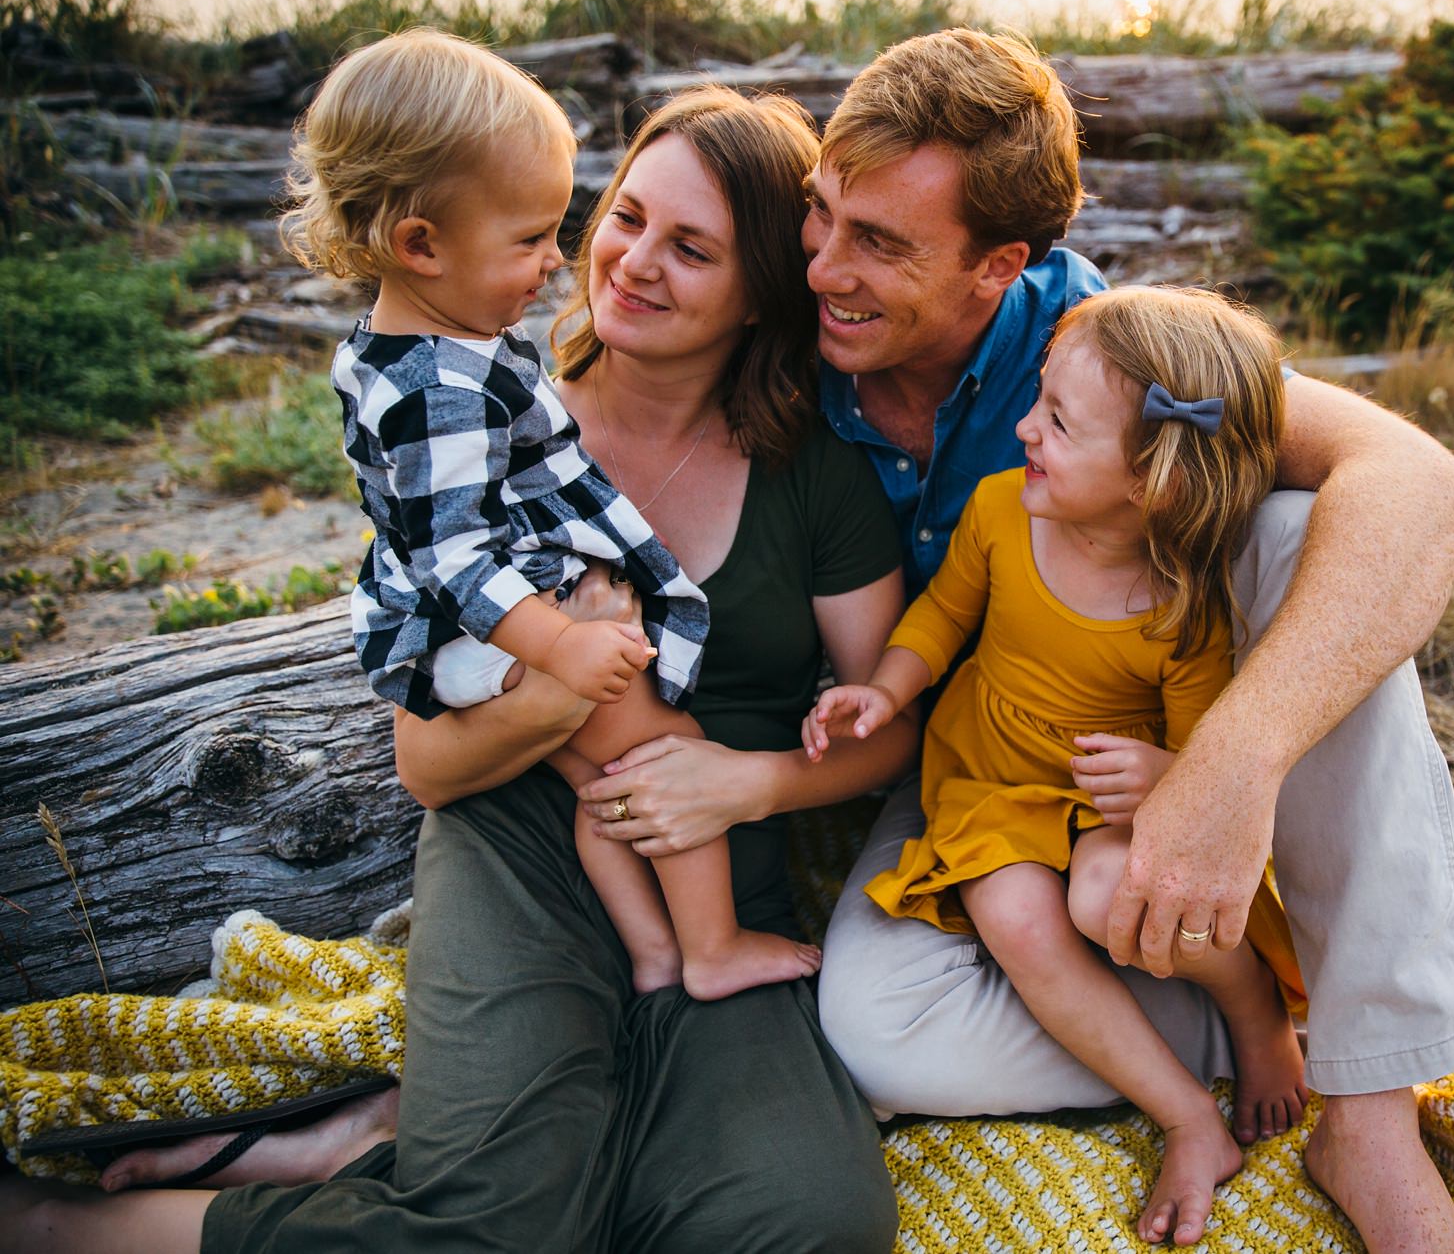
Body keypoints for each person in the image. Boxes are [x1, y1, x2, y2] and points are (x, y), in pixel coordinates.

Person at [2, 84, 910, 1254]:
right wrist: (564, 683)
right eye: (625, 217)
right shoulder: (469, 434)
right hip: (515, 851)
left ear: (760, 295)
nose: (631, 263)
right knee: (492, 1232)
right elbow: (427, 762)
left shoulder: (811, 476)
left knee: (807, 1224)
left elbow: (888, 727)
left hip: (720, 881)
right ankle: (68, 1231)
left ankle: (412, 1140)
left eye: (691, 248)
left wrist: (752, 786)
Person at [779, 28, 1454, 1250]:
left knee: (1304, 525)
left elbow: (1422, 483)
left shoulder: (1101, 348)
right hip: (964, 770)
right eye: (819, 214)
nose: (824, 265)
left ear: (1000, 264)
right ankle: (1344, 992)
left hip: (1136, 758)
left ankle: (1369, 1117)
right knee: (875, 1043)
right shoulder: (778, 338)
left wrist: (1226, 764)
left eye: (879, 243)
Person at [296, 29, 816, 1001]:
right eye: (531, 238)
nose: (558, 262)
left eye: (692, 247)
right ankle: (708, 947)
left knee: (602, 783)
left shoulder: (408, 347)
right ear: (420, 244)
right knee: (667, 750)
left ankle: (654, 955)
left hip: (483, 623)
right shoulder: (441, 383)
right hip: (495, 621)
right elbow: (451, 556)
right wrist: (564, 650)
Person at [808, 285, 1316, 1244]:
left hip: (1098, 798)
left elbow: (1208, 749)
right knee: (1016, 917)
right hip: (989, 782)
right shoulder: (1004, 512)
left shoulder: (1179, 598)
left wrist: (1165, 772)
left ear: (1153, 479)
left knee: (1109, 898)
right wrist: (888, 687)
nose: (1023, 428)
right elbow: (945, 616)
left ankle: (1255, 1005)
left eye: (1059, 422)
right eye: (1037, 400)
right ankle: (1184, 1113)